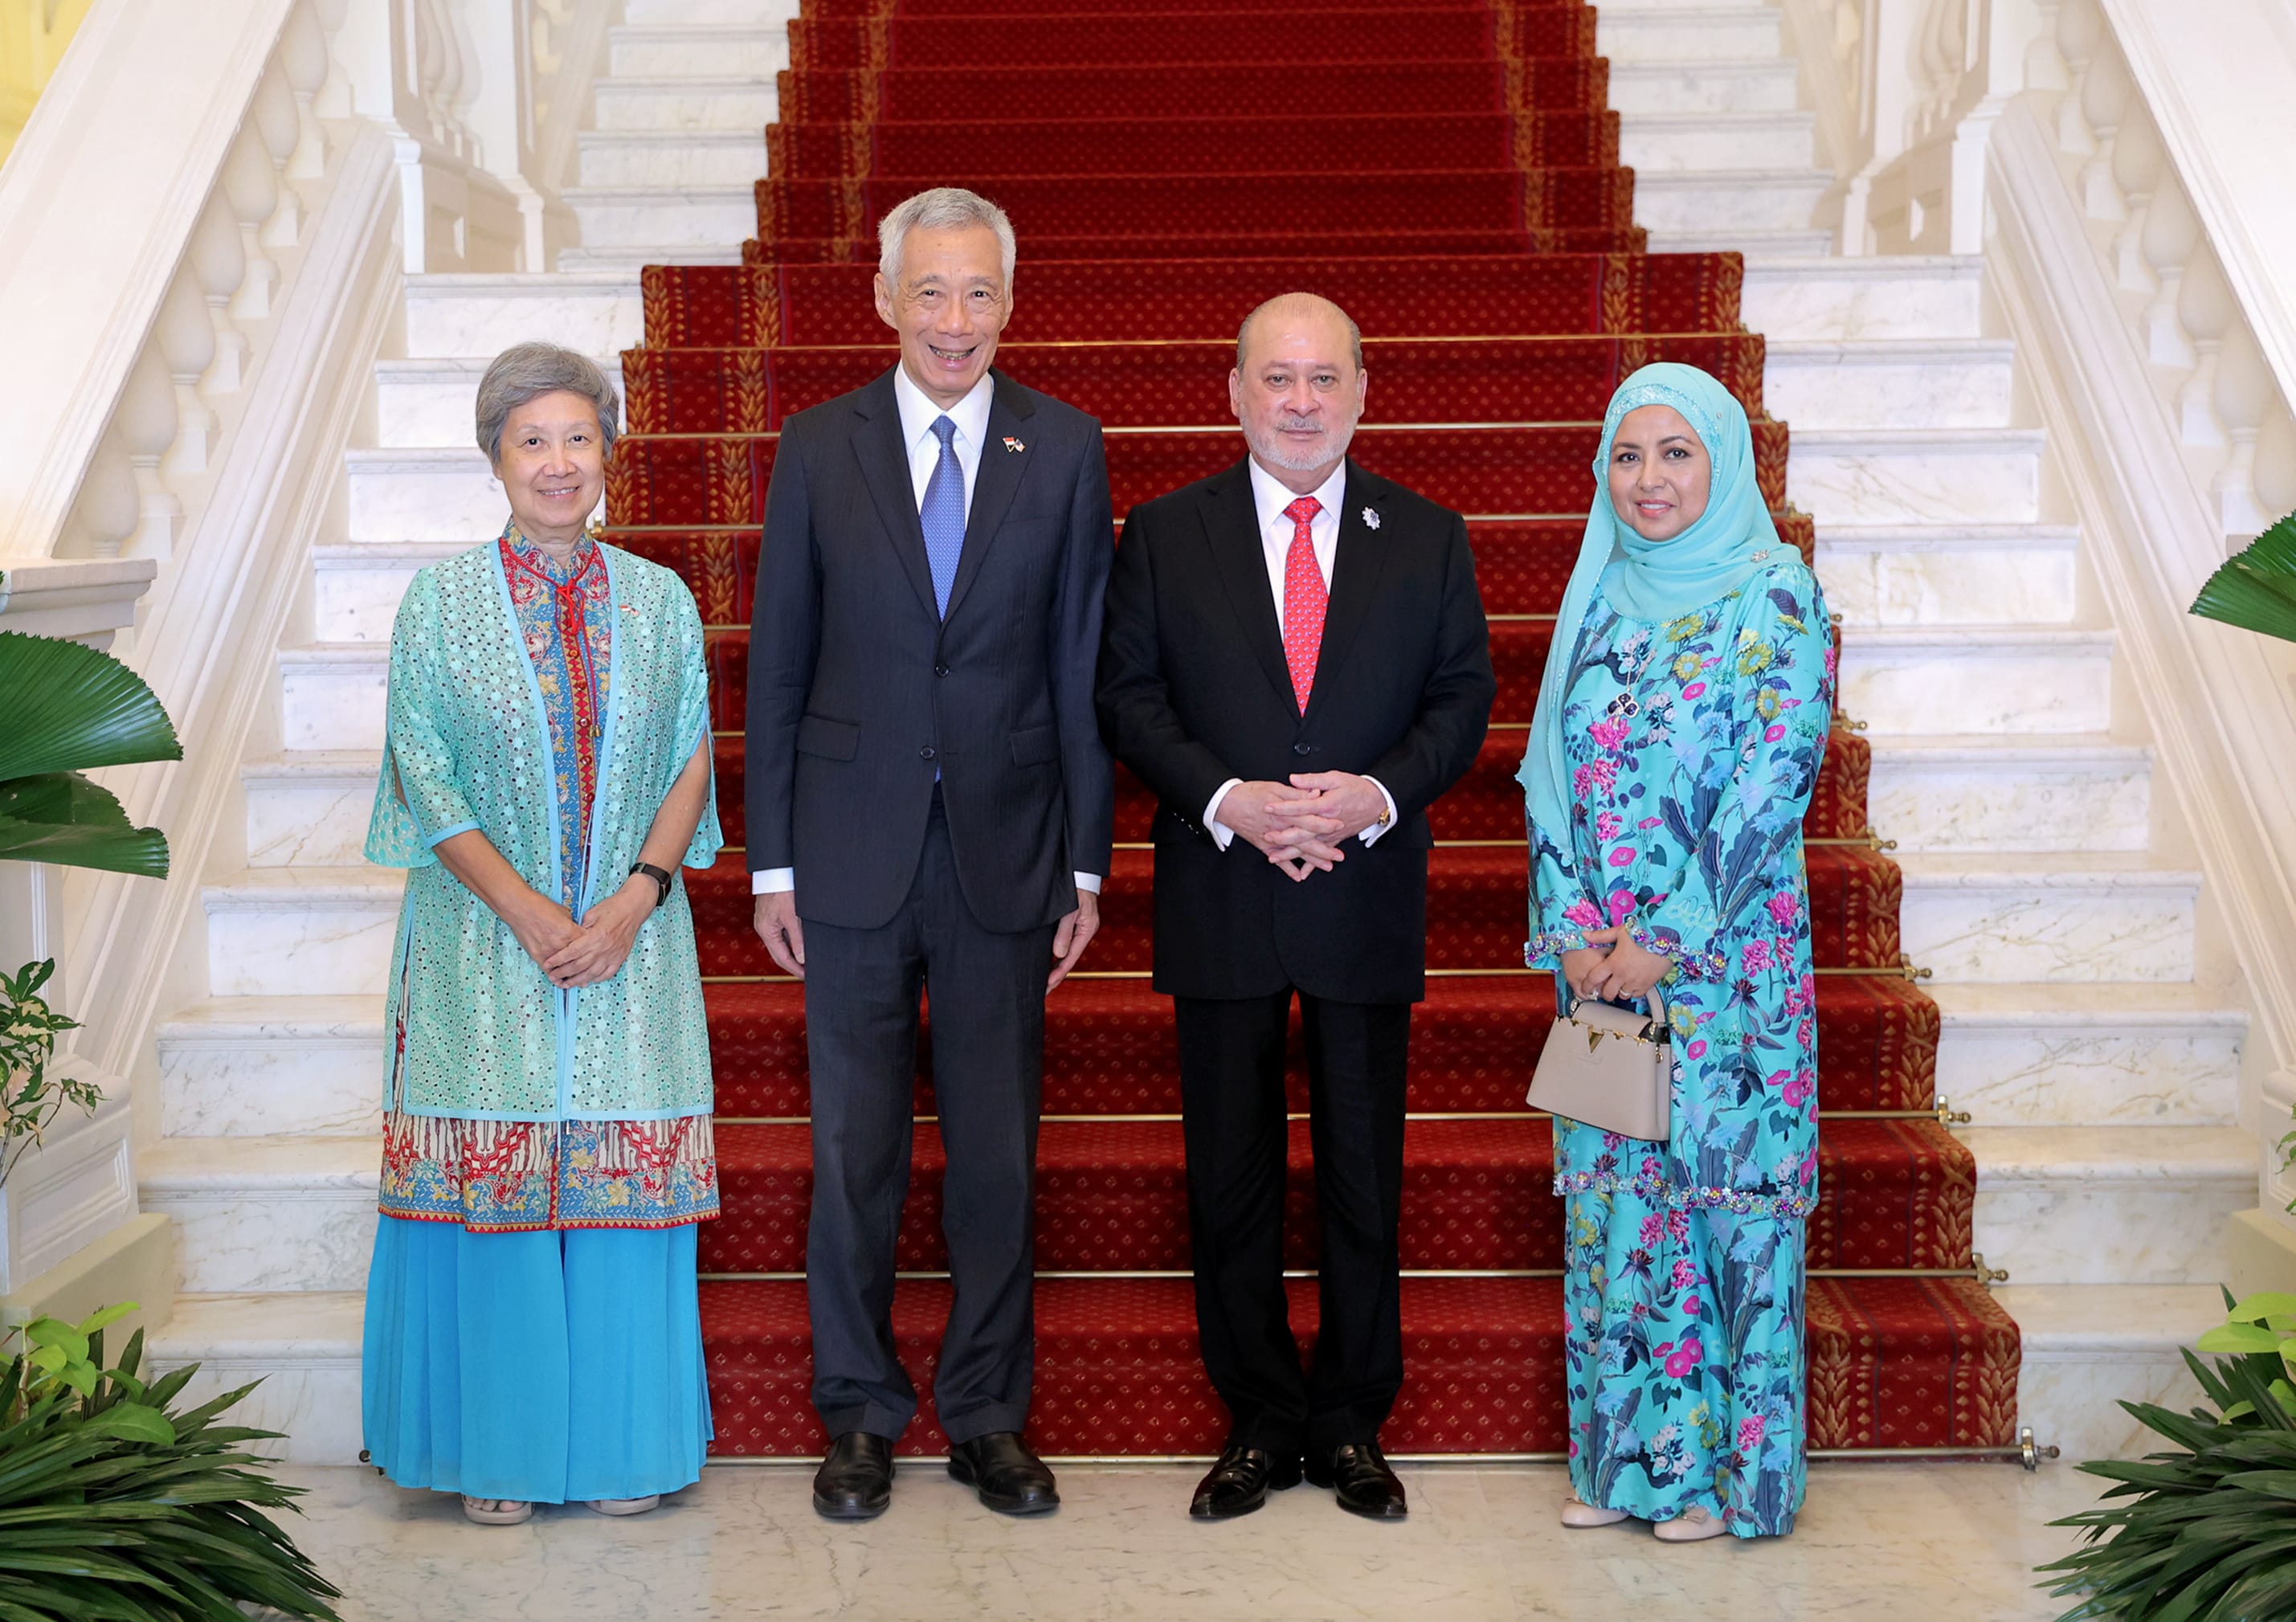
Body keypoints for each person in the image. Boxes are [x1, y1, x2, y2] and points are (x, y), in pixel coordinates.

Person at [746, 186, 1115, 1521]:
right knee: (853, 1153)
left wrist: (1086, 862)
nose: (953, 321)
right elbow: (779, 659)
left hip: (1007, 858)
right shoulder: (815, 446)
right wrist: (771, 865)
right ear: (886, 299)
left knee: (996, 1154)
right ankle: (855, 1414)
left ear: (1009, 304)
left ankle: (985, 1415)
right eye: (930, 292)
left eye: (978, 294)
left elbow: (1079, 664)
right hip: (844, 860)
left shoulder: (1065, 448)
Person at [1097, 293, 1496, 1522]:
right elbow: (1129, 695)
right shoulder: (1165, 534)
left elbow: (1461, 698)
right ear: (1234, 391)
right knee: (1231, 1181)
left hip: (1364, 893)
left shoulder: (1427, 536)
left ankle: (1351, 1422)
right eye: (1278, 378)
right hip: (1222, 889)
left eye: (1325, 378)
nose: (1302, 401)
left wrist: (1368, 795)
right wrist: (1232, 800)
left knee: (1363, 1179)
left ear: (1363, 391)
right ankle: (1261, 1418)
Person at [362, 341, 721, 1526]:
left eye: (578, 438)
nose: (558, 463)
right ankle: (496, 1451)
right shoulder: (439, 603)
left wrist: (632, 898)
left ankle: (624, 1447)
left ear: (608, 452)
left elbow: (688, 759)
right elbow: (424, 772)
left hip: (633, 941)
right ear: (495, 458)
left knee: (621, 1187)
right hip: (480, 941)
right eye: (533, 441)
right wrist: (526, 911)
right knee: (498, 1192)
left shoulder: (661, 599)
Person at [1519, 362, 1834, 1542]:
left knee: (1722, 1210)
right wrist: (1575, 931)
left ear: (1723, 462)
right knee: (1616, 1210)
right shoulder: (1598, 589)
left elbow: (1772, 783)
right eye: (1627, 456)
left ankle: (1717, 1481)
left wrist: (1664, 937)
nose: (1648, 482)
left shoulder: (1775, 592)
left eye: (1676, 454)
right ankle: (1622, 1470)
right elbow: (1549, 779)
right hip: (1598, 968)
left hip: (1726, 971)